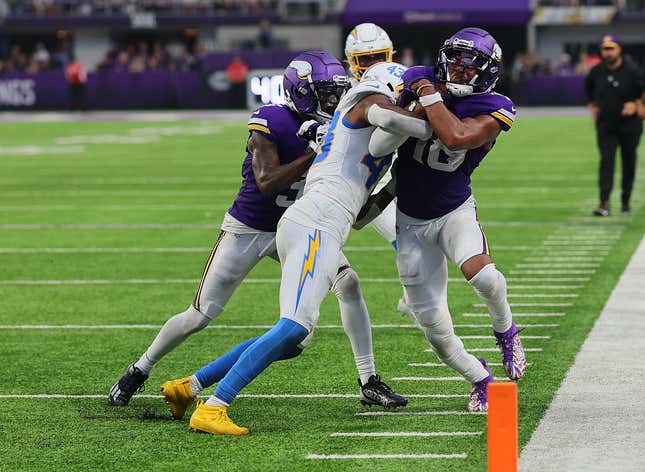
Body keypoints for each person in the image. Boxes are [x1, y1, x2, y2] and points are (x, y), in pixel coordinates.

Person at [108, 51, 406, 414]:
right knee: (200, 314)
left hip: (299, 225)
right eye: (325, 93)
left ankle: (369, 379)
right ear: (302, 91)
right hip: (249, 228)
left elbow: (356, 200)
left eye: (336, 93)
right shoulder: (272, 119)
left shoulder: (340, 124)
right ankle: (140, 368)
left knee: (345, 287)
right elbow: (266, 182)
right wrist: (315, 153)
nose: (332, 100)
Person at [169, 61, 433, 436]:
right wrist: (432, 110)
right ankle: (213, 408)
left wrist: (394, 187)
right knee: (294, 326)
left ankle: (189, 387)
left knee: (293, 340)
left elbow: (359, 217)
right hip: (315, 226)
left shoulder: (368, 133)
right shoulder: (367, 102)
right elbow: (396, 121)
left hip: (317, 224)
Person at [357, 28, 527, 412]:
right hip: (410, 223)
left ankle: (506, 330)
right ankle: (480, 378)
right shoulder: (420, 80)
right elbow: (382, 140)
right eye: (453, 62)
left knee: (483, 275)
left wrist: (428, 96)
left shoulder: (495, 106)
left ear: (486, 72)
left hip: (454, 211)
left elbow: (455, 137)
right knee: (434, 329)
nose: (458, 71)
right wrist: (407, 107)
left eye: (468, 67)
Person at [344, 22, 414, 318]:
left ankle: (414, 298)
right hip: (353, 179)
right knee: (403, 237)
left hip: (387, 176)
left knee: (410, 238)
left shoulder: (399, 82)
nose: (374, 65)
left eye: (379, 57)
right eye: (365, 60)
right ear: (352, 63)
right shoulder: (349, 93)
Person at [585, 35, 645, 216]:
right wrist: (594, 108)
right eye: (605, 49)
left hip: (630, 125)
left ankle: (625, 202)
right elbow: (589, 92)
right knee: (606, 162)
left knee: (629, 162)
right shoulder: (596, 71)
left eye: (611, 48)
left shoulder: (633, 70)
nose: (608, 52)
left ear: (619, 50)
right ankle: (604, 203)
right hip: (606, 125)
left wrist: (636, 105)